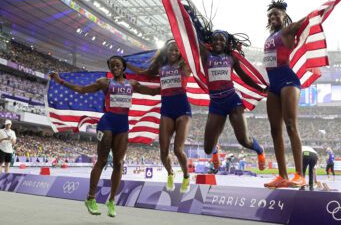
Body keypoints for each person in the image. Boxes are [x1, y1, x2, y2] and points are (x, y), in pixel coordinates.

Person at [50, 55, 159, 217]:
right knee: (101, 160)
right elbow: (82, 90)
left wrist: (176, 85)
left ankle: (112, 201)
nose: (114, 67)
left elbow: (152, 92)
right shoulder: (105, 82)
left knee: (119, 163)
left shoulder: (132, 84)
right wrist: (60, 81)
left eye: (117, 64)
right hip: (107, 123)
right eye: (111, 66)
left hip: (123, 125)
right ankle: (91, 198)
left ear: (123, 67)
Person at [128, 40, 192, 193]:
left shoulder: (185, 66)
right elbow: (143, 73)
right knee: (163, 151)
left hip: (183, 109)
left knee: (178, 149)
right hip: (166, 110)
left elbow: (195, 55)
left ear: (181, 52)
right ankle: (170, 173)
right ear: (166, 51)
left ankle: (186, 176)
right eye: (171, 50)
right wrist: (126, 63)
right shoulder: (161, 67)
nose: (173, 53)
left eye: (177, 50)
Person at [200, 30, 267, 172]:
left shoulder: (231, 58)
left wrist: (260, 89)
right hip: (216, 104)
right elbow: (192, 36)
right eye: (215, 39)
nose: (218, 42)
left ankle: (260, 150)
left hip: (232, 102)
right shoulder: (206, 55)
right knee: (207, 148)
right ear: (210, 42)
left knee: (244, 141)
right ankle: (215, 151)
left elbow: (244, 77)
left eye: (221, 40)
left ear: (226, 43)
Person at [263, 0, 308, 189]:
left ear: (284, 17)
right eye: (271, 15)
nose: (273, 16)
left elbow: (311, 18)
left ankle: (299, 175)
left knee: (290, 124)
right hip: (273, 85)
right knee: (275, 131)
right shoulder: (268, 38)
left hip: (288, 80)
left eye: (277, 14)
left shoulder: (288, 30)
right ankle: (282, 175)